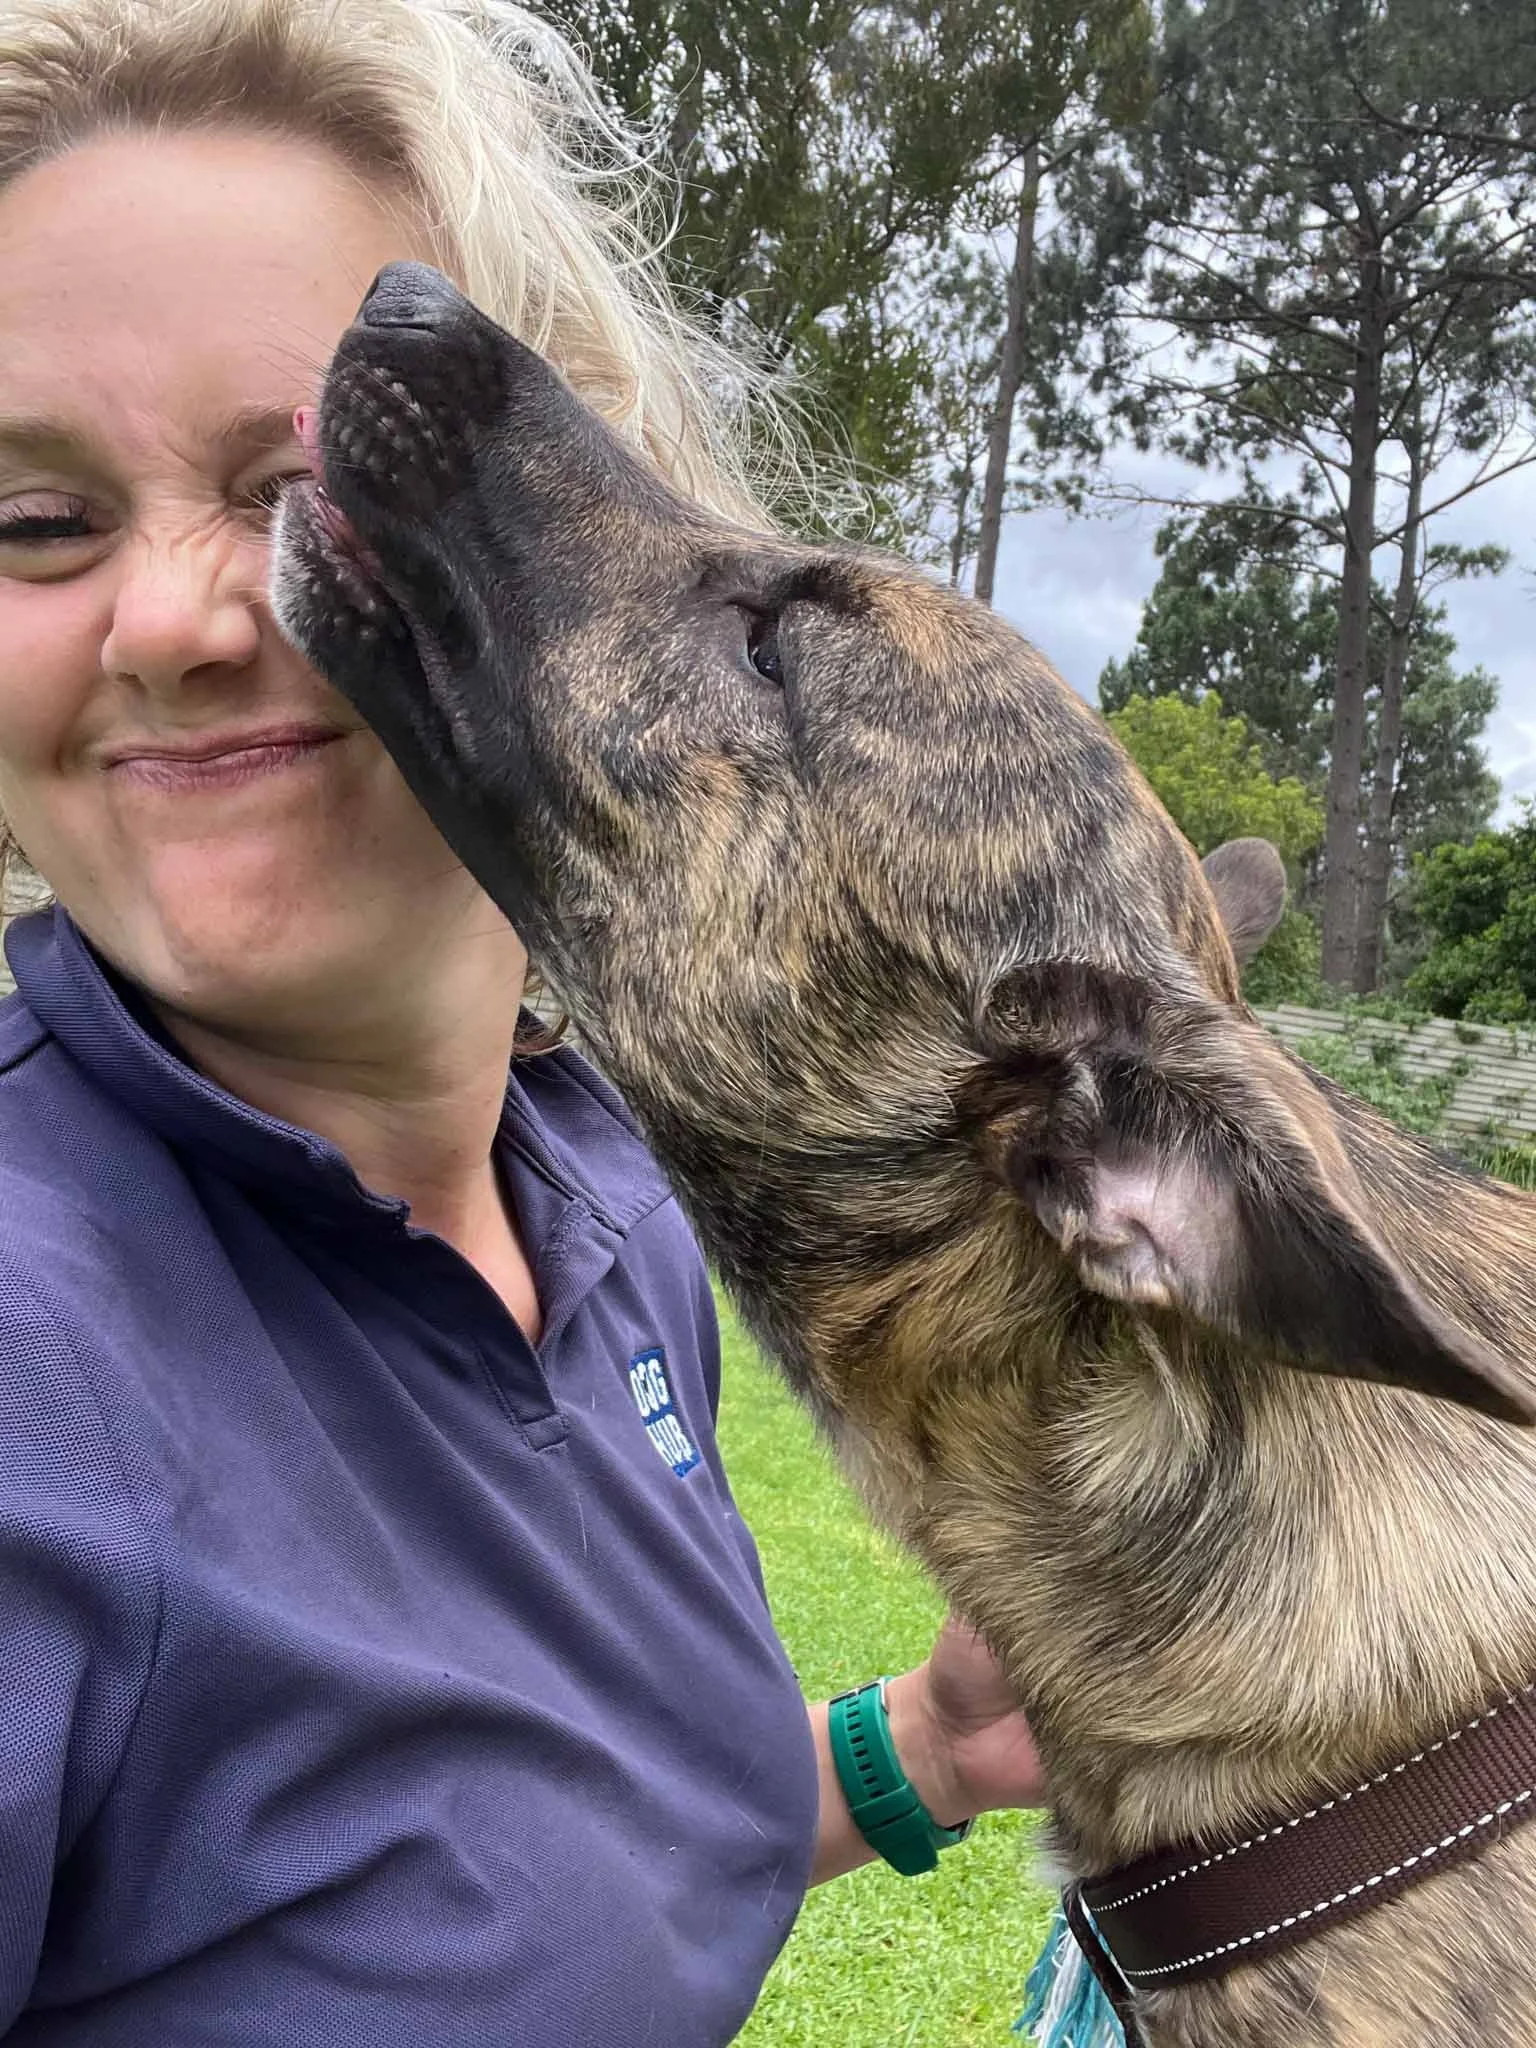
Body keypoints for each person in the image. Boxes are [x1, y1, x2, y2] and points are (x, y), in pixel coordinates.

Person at [0, 2, 1045, 2042]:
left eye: (300, 483)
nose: (171, 620)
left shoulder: (604, 1198)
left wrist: (916, 1749)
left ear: (584, 557)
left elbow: (529, 1878)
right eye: (36, 522)